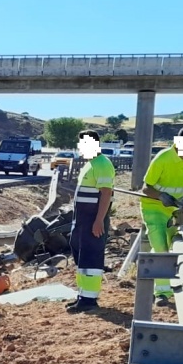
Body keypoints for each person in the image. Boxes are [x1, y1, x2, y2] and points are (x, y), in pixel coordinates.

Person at [140, 125, 183, 305]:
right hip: (153, 207)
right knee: (161, 246)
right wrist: (161, 196)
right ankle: (162, 293)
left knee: (173, 246)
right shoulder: (163, 158)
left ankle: (171, 281)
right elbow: (146, 188)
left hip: (174, 209)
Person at [67, 130, 115, 312]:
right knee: (81, 255)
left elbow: (106, 194)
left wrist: (99, 221)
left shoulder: (102, 164)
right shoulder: (90, 164)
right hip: (81, 221)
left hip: (92, 221)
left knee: (91, 258)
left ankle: (89, 299)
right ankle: (82, 294)